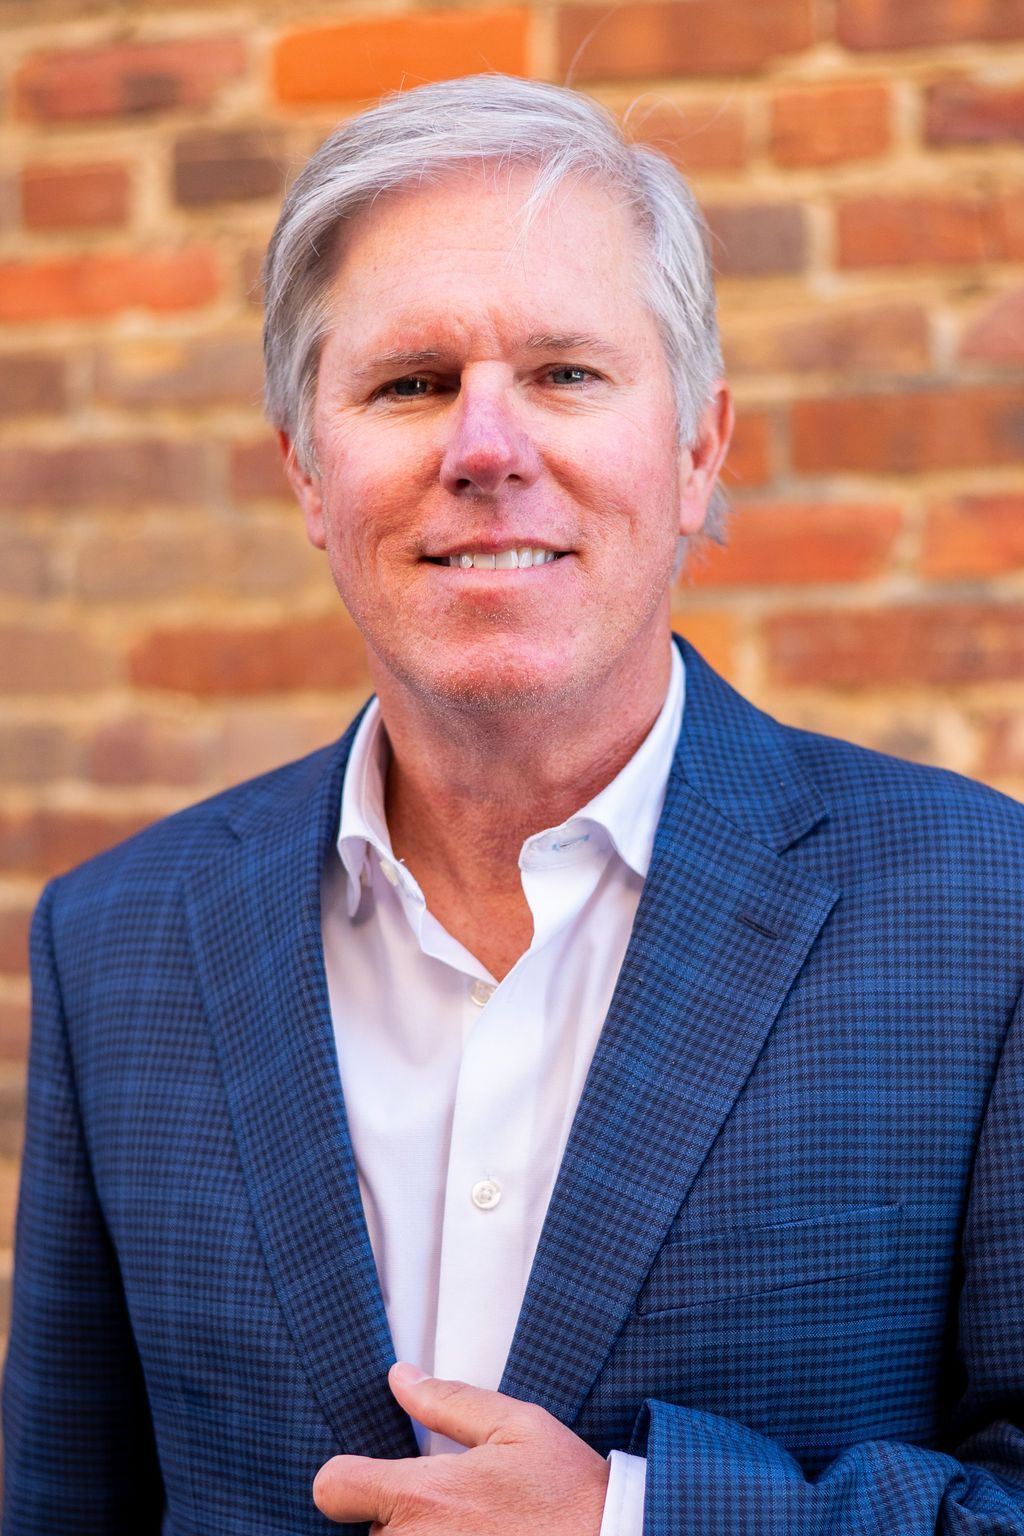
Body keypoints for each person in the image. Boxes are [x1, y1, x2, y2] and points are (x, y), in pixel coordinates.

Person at [3, 72, 1023, 1536]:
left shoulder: (984, 913)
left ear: (697, 451)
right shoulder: (121, 943)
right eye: (409, 384)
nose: (486, 449)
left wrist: (636, 1520)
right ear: (306, 470)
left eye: (565, 373)